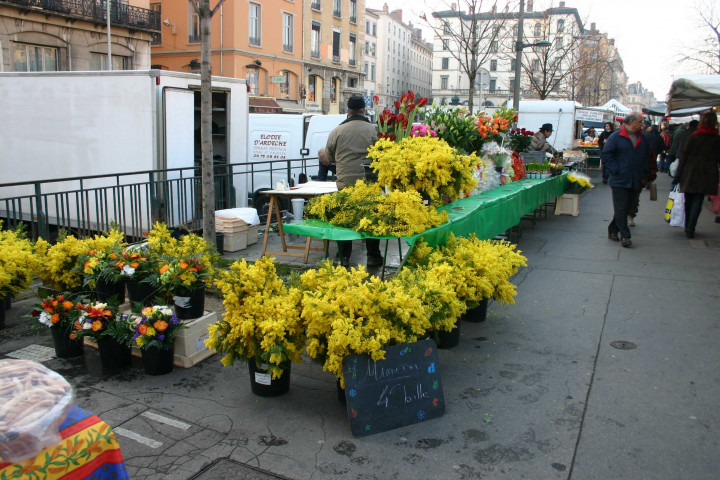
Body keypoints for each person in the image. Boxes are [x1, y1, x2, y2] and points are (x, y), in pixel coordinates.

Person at [325, 96, 381, 267]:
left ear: (348, 111)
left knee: (346, 219)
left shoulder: (337, 131)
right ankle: (373, 256)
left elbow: (328, 157)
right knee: (371, 219)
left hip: (346, 184)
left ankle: (343, 256)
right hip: (369, 184)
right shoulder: (375, 130)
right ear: (364, 110)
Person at [601, 112, 653, 248]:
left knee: (626, 207)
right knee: (621, 207)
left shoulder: (642, 138)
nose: (642, 124)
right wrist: (614, 170)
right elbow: (606, 154)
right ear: (632, 122)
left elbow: (648, 156)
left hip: (636, 178)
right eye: (640, 121)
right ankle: (625, 236)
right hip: (620, 179)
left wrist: (647, 172)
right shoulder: (616, 137)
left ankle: (612, 230)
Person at [673, 111, 720, 238]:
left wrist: (677, 175)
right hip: (707, 172)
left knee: (689, 199)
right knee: (698, 200)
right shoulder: (716, 138)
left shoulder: (695, 136)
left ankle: (689, 225)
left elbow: (685, 156)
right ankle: (690, 227)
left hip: (690, 171)